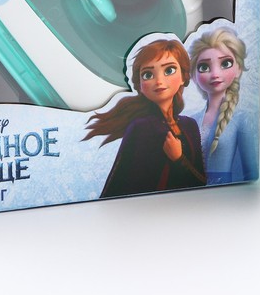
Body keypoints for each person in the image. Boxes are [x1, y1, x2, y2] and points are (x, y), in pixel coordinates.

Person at [84, 36, 206, 198]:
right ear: (140, 85)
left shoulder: (189, 125)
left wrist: (178, 159)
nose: (159, 81)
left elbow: (201, 183)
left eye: (169, 70)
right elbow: (120, 184)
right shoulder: (142, 128)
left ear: (184, 77)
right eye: (148, 74)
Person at [188, 26, 258, 184]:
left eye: (225, 63)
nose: (215, 74)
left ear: (238, 68)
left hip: (224, 192)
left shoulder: (241, 119)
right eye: (204, 67)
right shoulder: (192, 120)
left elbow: (251, 172)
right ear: (193, 75)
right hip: (192, 191)